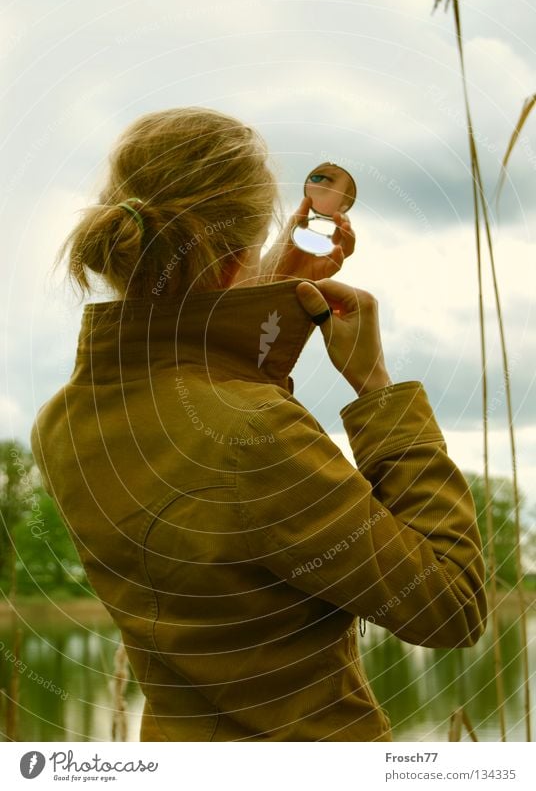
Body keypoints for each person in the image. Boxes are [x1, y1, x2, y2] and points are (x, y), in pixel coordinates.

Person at [30, 106, 487, 742]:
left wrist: (266, 289)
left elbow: (218, 469)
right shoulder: (256, 434)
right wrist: (378, 389)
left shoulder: (61, 422)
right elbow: (451, 607)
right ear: (227, 263)